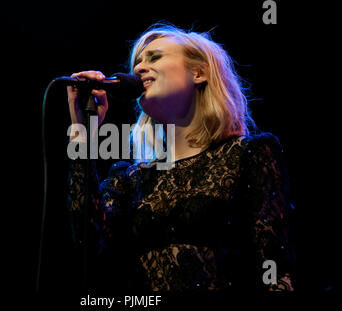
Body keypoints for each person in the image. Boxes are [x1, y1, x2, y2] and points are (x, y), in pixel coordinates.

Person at [66, 23, 294, 294]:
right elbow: (88, 244)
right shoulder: (129, 179)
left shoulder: (247, 155)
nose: (138, 68)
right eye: (137, 62)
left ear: (198, 72)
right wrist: (83, 134)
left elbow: (275, 267)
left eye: (155, 57)